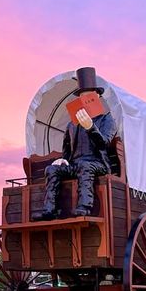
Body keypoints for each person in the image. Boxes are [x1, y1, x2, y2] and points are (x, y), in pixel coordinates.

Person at [32, 67, 117, 221]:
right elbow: (67, 148)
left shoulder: (106, 120)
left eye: (90, 96)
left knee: (85, 166)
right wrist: (63, 159)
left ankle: (85, 206)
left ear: (97, 97)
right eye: (83, 97)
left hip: (97, 163)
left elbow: (104, 144)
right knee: (52, 169)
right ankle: (50, 209)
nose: (86, 100)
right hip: (75, 163)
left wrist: (91, 127)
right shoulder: (72, 124)